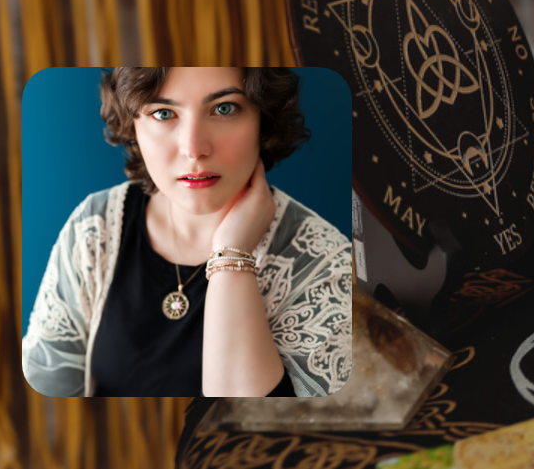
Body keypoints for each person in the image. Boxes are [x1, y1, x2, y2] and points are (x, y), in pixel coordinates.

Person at [22, 67, 352, 397]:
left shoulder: (325, 266)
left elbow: (247, 424)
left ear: (262, 121)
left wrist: (232, 257)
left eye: (224, 108)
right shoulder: (95, 226)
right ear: (133, 126)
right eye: (163, 113)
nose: (193, 149)